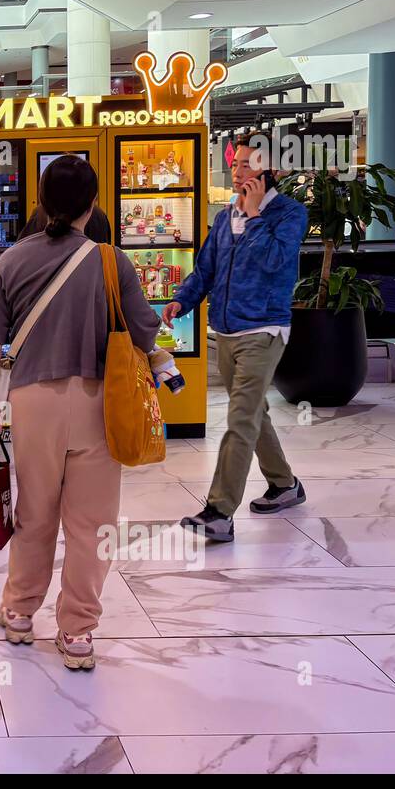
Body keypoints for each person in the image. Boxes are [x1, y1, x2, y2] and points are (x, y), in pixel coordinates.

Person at [0, 156, 159, 670]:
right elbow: (144, 332)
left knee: (34, 514)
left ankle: (17, 611)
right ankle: (77, 632)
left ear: (40, 202)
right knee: (92, 524)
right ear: (93, 204)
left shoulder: (11, 261)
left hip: (33, 403)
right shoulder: (111, 260)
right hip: (99, 403)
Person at [165, 141, 310, 543]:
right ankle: (285, 485)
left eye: (248, 166)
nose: (238, 172)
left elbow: (275, 262)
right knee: (253, 413)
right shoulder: (226, 214)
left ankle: (219, 511)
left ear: (270, 173)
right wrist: (183, 299)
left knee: (240, 419)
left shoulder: (290, 214)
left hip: (263, 331)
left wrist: (256, 215)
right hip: (226, 332)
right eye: (235, 165)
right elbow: (206, 268)